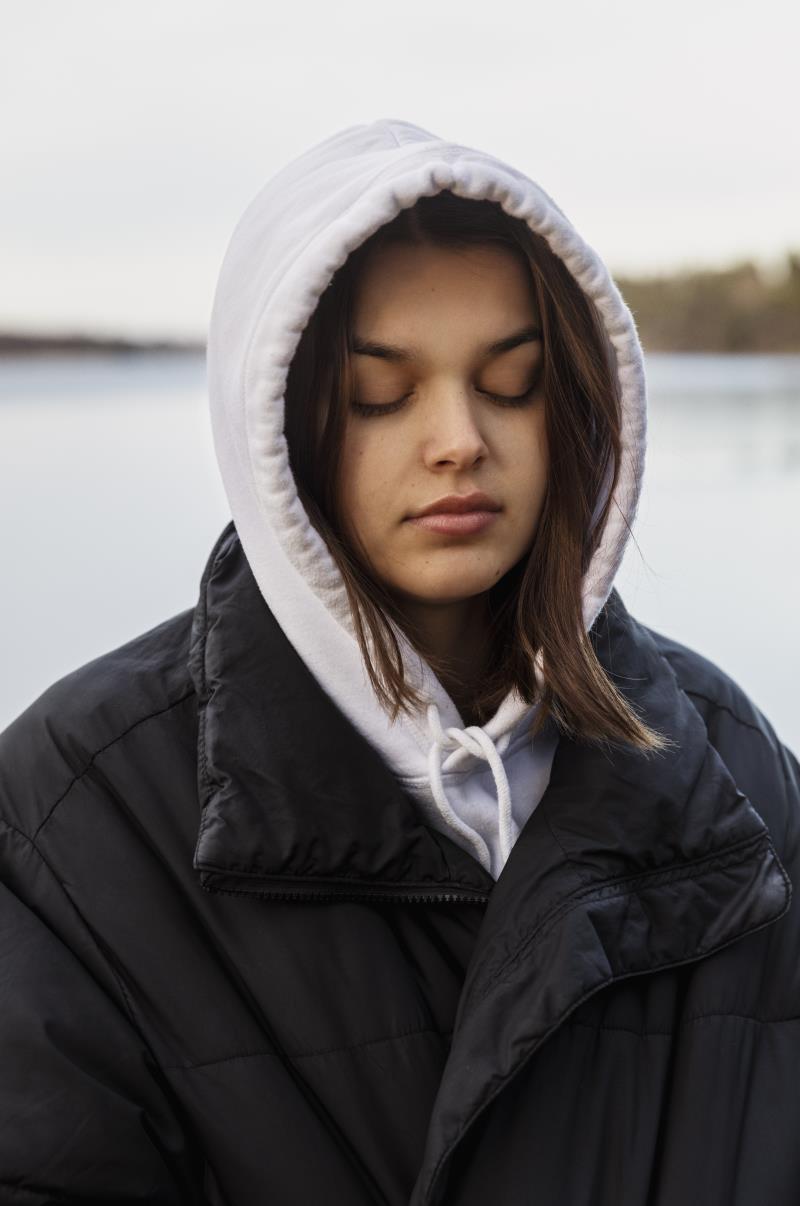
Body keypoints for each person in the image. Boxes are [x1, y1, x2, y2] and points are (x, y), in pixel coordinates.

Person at [0, 118, 797, 1206]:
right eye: (382, 392)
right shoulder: (74, 818)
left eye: (510, 380)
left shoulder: (728, 772)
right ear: (272, 419)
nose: (458, 437)